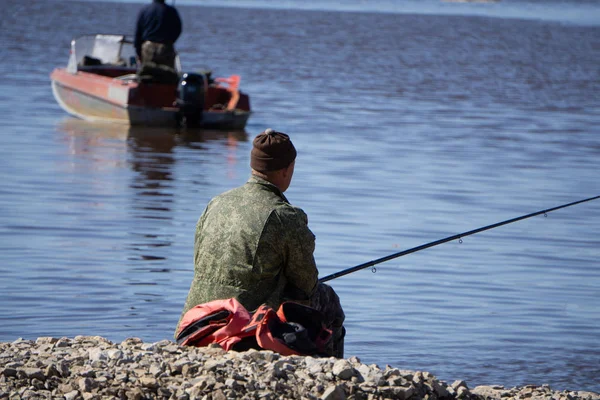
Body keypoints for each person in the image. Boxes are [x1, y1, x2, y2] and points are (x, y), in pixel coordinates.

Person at [176, 128, 345, 358]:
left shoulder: (216, 203)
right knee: (327, 299)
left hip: (195, 321)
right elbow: (306, 284)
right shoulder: (285, 216)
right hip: (245, 325)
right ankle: (330, 371)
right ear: (287, 169)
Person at [134, 0, 182, 69]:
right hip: (165, 48)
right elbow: (178, 29)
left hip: (148, 48)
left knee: (147, 74)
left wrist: (138, 53)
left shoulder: (144, 10)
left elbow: (138, 34)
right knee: (166, 75)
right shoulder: (171, 11)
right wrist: (170, 42)